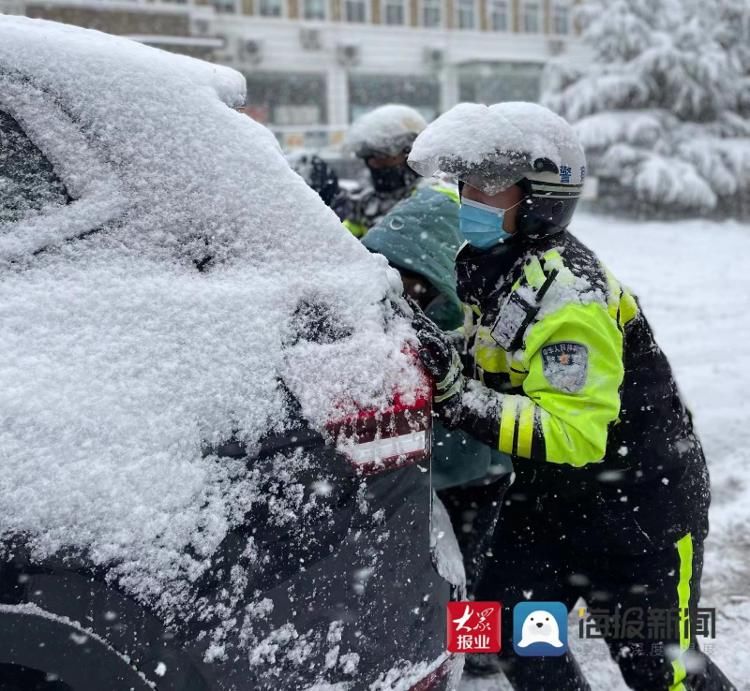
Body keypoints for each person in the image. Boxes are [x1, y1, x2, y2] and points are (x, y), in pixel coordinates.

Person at [407, 102, 736, 691]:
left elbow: (573, 433)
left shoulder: (568, 294)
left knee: (658, 667)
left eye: (489, 186)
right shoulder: (494, 264)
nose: (470, 199)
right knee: (500, 627)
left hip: (639, 509)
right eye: (465, 184)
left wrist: (456, 396)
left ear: (539, 197)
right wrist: (441, 347)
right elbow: (502, 357)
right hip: (551, 496)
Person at [362, 182, 514, 592]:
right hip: (421, 472)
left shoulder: (486, 303)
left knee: (473, 575)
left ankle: (478, 649)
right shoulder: (383, 287)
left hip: (473, 473)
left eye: (414, 287)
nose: (403, 300)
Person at [339, 104, 427, 238]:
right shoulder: (365, 202)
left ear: (410, 153)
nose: (373, 163)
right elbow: (344, 240)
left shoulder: (430, 199)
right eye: (368, 156)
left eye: (382, 155)